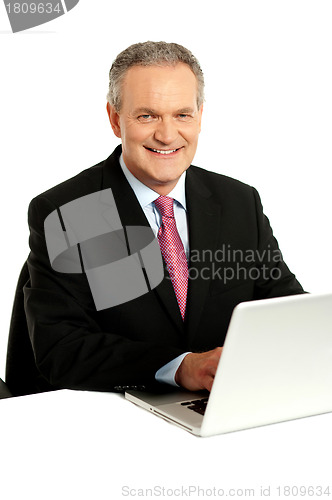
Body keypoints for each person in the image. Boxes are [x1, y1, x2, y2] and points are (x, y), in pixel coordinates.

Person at [23, 41, 304, 395]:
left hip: (221, 409)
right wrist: (179, 367)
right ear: (114, 119)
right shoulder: (72, 212)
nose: (167, 135)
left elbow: (286, 307)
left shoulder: (237, 202)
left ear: (200, 116)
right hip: (117, 413)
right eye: (147, 116)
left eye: (182, 115)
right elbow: (62, 350)